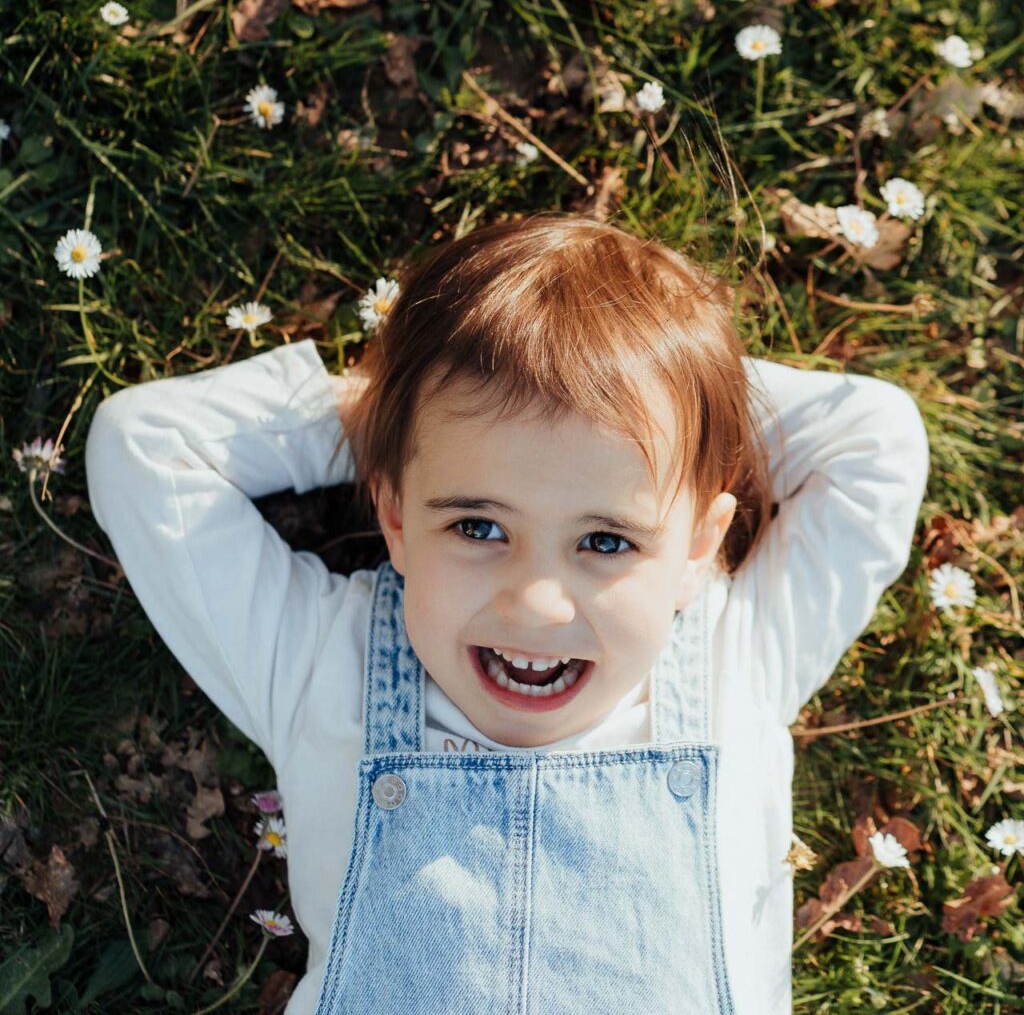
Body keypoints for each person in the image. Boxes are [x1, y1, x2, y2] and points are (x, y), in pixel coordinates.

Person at [84, 211, 930, 1014]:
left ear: (700, 546)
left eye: (606, 542)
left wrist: (671, 397)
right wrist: (394, 411)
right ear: (395, 520)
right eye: (478, 525)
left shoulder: (735, 662)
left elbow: (878, 439)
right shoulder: (320, 663)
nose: (535, 603)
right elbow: (144, 444)